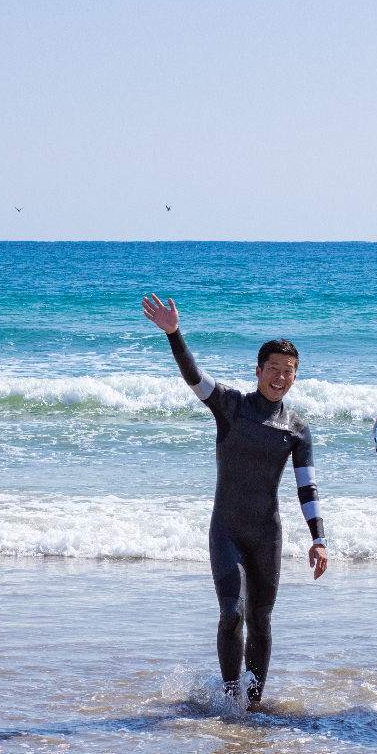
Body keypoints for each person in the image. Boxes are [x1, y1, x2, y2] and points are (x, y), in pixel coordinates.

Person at [142, 293, 328, 712]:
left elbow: (307, 487)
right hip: (226, 530)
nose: (280, 377)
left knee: (261, 620)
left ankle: (254, 703)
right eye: (273, 368)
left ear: (295, 378)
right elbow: (194, 377)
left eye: (289, 371)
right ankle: (230, 701)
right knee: (232, 614)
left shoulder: (296, 429)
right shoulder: (231, 406)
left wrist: (319, 539)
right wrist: (174, 334)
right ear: (258, 370)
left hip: (266, 535)